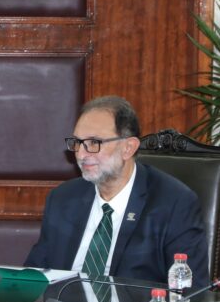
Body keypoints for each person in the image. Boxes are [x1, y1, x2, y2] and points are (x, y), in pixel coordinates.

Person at [25, 96, 209, 287]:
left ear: (128, 148)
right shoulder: (62, 198)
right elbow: (35, 276)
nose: (81, 154)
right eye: (77, 142)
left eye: (94, 142)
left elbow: (192, 291)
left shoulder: (174, 204)